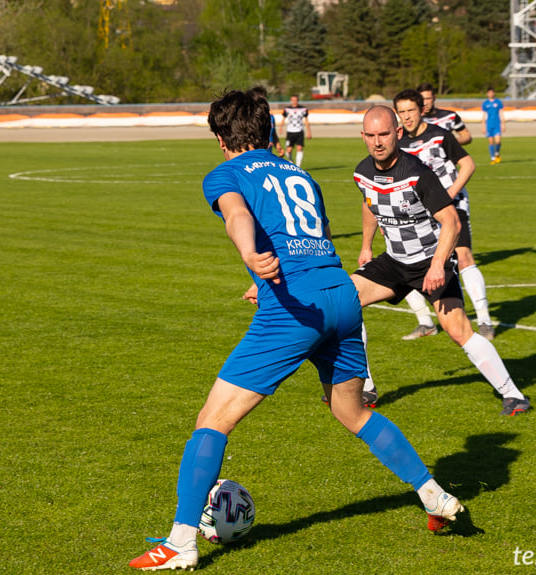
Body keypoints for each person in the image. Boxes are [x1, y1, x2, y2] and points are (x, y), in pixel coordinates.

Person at [129, 90, 464, 571]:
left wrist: (249, 256)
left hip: (295, 309)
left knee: (212, 419)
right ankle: (433, 495)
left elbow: (239, 216)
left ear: (222, 139)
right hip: (341, 295)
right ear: (269, 131)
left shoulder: (226, 172)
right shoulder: (299, 173)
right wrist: (262, 278)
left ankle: (181, 542)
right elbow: (311, 237)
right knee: (351, 410)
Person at [348, 105, 529, 417]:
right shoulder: (362, 172)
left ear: (398, 134)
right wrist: (366, 245)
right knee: (344, 302)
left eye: (385, 134)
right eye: (371, 135)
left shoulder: (417, 173)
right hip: (394, 261)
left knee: (458, 329)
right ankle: (365, 386)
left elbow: (452, 222)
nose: (378, 142)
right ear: (362, 136)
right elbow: (369, 203)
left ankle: (513, 395)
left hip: (432, 259)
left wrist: (436, 266)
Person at [394, 89, 495, 342]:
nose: (406, 117)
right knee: (405, 264)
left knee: (463, 257)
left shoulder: (440, 135)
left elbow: (468, 164)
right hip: (420, 212)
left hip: (453, 206)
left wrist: (450, 192)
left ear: (421, 110)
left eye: (411, 111)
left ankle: (483, 321)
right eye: (401, 112)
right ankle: (425, 323)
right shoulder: (399, 144)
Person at [280, 94, 311, 167]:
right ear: (291, 100)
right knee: (288, 151)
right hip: (290, 132)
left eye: (296, 100)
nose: (294, 101)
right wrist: (281, 127)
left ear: (298, 100)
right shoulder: (287, 109)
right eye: (293, 100)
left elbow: (306, 121)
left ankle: (298, 166)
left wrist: (309, 132)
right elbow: (283, 119)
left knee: (299, 148)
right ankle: (290, 160)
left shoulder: (303, 109)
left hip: (300, 131)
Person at [481, 88, 505, 164]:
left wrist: (503, 123)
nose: (491, 94)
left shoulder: (498, 102)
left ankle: (497, 153)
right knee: (491, 142)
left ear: (494, 93)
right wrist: (483, 126)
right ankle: (492, 158)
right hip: (489, 124)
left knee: (498, 141)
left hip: (497, 124)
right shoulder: (485, 103)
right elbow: (483, 115)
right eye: (489, 93)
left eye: (492, 92)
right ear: (487, 94)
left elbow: (501, 113)